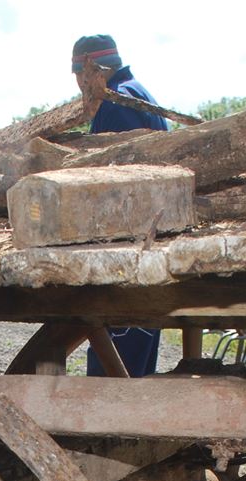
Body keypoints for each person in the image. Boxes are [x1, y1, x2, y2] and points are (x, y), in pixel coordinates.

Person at [72, 34, 168, 378]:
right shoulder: (138, 94)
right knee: (133, 376)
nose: (79, 86)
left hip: (127, 262)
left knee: (112, 381)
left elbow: (113, 189)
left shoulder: (117, 104)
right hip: (148, 257)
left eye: (77, 76)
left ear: (88, 70)